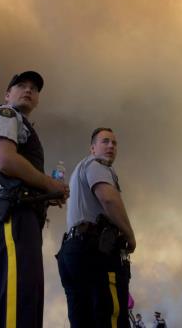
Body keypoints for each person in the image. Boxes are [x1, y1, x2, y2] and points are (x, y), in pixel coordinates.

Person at [0, 70, 69, 328]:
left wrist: (46, 194)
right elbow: (4, 159)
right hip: (11, 217)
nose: (29, 90)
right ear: (7, 94)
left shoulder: (21, 126)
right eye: (21, 85)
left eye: (34, 88)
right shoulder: (6, 114)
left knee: (24, 303)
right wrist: (49, 183)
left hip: (20, 218)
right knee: (16, 309)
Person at [57, 127, 136, 327]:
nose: (111, 146)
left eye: (114, 143)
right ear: (92, 148)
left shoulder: (79, 170)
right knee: (110, 317)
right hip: (94, 251)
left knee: (83, 320)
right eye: (105, 141)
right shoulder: (96, 164)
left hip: (72, 252)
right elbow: (109, 199)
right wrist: (130, 235)